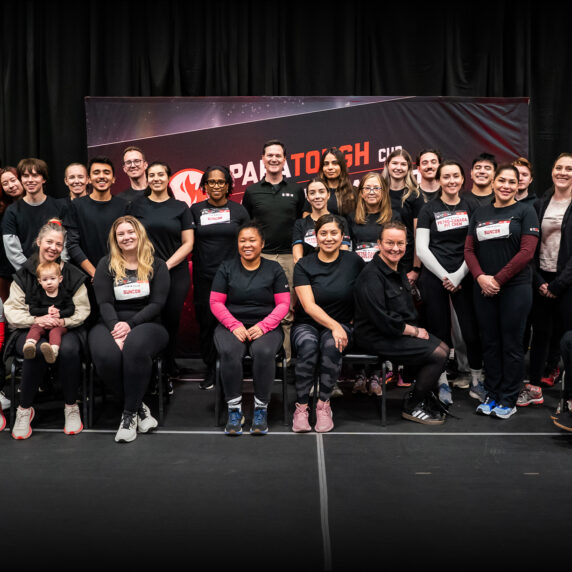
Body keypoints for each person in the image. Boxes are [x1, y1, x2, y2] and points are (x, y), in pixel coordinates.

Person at [354, 220, 450, 425]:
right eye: (389, 243)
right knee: (438, 354)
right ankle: (412, 405)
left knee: (443, 348)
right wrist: (414, 332)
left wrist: (416, 331)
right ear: (379, 244)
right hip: (374, 335)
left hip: (394, 331)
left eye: (400, 243)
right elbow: (382, 320)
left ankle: (421, 396)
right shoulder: (370, 276)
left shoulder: (399, 269)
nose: (395, 248)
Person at [464, 164, 540, 419]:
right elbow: (469, 250)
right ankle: (493, 394)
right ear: (494, 183)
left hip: (515, 289)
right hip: (484, 288)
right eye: (502, 180)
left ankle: (508, 398)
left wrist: (497, 279)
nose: (506, 186)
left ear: (519, 185)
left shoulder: (526, 211)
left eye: (512, 181)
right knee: (490, 343)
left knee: (512, 345)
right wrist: (480, 278)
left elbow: (527, 253)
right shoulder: (480, 212)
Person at [4, 219, 90, 439]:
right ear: (39, 242)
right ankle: (24, 409)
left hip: (66, 329)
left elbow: (82, 309)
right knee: (36, 349)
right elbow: (12, 310)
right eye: (49, 242)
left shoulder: (72, 274)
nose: (53, 247)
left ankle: (71, 406)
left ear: (63, 248)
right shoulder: (24, 274)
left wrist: (62, 322)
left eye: (58, 244)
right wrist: (38, 319)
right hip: (29, 329)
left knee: (69, 350)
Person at [89, 216, 170, 443]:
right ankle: (139, 408)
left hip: (148, 324)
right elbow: (104, 303)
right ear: (115, 239)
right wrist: (116, 327)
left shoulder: (158, 265)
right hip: (110, 322)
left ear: (140, 234)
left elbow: (157, 304)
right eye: (121, 234)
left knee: (134, 347)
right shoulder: (106, 264)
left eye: (130, 232)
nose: (126, 237)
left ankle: (127, 416)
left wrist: (130, 326)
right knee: (105, 355)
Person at [210, 222, 290, 436]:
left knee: (263, 352)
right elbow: (216, 302)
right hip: (231, 325)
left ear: (262, 243)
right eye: (242, 240)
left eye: (252, 240)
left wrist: (264, 326)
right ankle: (234, 410)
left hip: (266, 326)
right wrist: (234, 325)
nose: (247, 245)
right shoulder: (226, 267)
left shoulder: (274, 268)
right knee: (229, 351)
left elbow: (283, 304)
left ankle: (260, 410)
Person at [415, 160, 484, 405]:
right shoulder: (428, 208)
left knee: (471, 331)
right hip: (435, 277)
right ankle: (441, 380)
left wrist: (459, 275)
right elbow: (421, 249)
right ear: (440, 179)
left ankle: (477, 380)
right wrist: (446, 275)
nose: (451, 181)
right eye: (446, 177)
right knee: (439, 332)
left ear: (462, 179)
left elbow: (477, 244)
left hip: (465, 275)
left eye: (456, 176)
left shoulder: (472, 205)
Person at [291, 214, 365, 432]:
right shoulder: (303, 264)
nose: (329, 238)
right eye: (323, 233)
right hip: (307, 324)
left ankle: (324, 405)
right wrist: (334, 326)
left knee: (331, 345)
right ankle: (302, 407)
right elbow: (308, 305)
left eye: (334, 233)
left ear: (343, 236)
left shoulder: (354, 262)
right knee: (308, 345)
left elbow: (366, 294)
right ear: (315, 236)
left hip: (343, 325)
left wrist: (350, 322)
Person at [242, 140, 305, 363]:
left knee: (287, 311)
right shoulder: (251, 191)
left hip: (289, 256)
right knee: (263, 308)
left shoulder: (297, 190)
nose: (274, 159)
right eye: (270, 155)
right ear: (262, 159)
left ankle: (285, 361)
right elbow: (247, 228)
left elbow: (302, 224)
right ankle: (263, 358)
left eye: (278, 155)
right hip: (261, 258)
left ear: (285, 159)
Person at [130, 161, 194, 380]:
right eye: (152, 175)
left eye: (161, 174)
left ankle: (168, 366)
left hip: (175, 272)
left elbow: (188, 243)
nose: (156, 178)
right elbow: (129, 239)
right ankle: (149, 365)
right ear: (147, 179)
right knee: (149, 317)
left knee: (171, 318)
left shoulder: (181, 207)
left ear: (168, 178)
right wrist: (149, 266)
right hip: (143, 272)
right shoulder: (136, 206)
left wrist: (165, 266)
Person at [190, 165, 249, 390]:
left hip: (234, 277)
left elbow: (248, 243)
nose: (216, 185)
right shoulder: (195, 210)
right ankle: (210, 369)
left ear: (228, 186)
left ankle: (232, 367)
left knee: (233, 321)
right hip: (205, 277)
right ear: (204, 186)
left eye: (221, 182)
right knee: (206, 323)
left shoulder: (239, 211)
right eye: (211, 182)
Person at [526, 153, 572, 404]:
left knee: (568, 338)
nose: (563, 172)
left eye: (569, 169)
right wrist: (539, 280)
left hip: (567, 282)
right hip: (541, 279)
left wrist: (558, 284)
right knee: (540, 334)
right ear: (552, 171)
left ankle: (569, 397)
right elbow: (530, 247)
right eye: (559, 168)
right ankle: (533, 387)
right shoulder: (540, 203)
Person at [65, 157, 128, 282]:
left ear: (114, 179)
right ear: (89, 179)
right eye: (96, 172)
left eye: (106, 172)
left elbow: (130, 243)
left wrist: (120, 270)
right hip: (85, 278)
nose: (101, 176)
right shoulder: (76, 206)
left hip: (120, 275)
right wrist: (96, 273)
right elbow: (72, 244)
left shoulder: (125, 206)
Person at [2, 158, 66, 272]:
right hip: (27, 275)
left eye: (35, 175)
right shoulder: (11, 211)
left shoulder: (59, 206)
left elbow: (66, 242)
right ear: (21, 179)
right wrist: (34, 272)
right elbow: (13, 251)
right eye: (25, 176)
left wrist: (56, 270)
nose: (30, 180)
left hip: (56, 274)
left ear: (44, 179)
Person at [22, 261, 74, 364]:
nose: (49, 282)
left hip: (57, 324)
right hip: (42, 323)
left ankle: (53, 351)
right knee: (35, 328)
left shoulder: (64, 293)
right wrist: (46, 311)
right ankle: (30, 345)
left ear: (60, 279)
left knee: (56, 333)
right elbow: (32, 310)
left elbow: (71, 309)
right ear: (39, 281)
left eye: (52, 278)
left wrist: (60, 315)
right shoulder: (38, 293)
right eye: (45, 280)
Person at [293, 178, 350, 264]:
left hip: (335, 273)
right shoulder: (300, 224)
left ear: (328, 195)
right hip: (309, 273)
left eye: (321, 191)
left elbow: (344, 253)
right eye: (312, 193)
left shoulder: (341, 221)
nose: (317, 196)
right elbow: (297, 258)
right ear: (308, 198)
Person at [302, 147, 356, 216]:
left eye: (335, 163)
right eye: (326, 164)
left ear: (342, 166)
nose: (330, 167)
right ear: (322, 168)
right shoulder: (315, 192)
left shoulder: (353, 192)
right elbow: (306, 221)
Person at [0, 167, 24, 302]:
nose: (10, 186)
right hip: (5, 269)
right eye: (5, 184)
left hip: (28, 266)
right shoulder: (3, 209)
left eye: (13, 180)